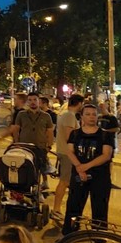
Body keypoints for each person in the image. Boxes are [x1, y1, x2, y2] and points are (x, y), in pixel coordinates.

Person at [61, 103, 114, 235]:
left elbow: (106, 155)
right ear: (82, 117)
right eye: (88, 114)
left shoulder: (105, 135)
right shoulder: (75, 134)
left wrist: (86, 166)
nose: (91, 117)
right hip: (79, 176)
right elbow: (69, 151)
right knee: (73, 206)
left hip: (100, 178)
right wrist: (80, 168)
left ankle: (98, 240)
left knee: (99, 209)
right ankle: (69, 234)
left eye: (94, 114)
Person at [11, 92, 54, 189]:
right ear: (27, 102)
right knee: (24, 169)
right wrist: (16, 143)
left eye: (35, 100)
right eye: (30, 100)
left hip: (40, 147)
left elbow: (50, 132)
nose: (32, 102)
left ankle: (38, 188)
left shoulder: (46, 116)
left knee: (39, 169)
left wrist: (49, 146)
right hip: (24, 148)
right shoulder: (21, 114)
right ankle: (24, 188)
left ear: (39, 101)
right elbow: (16, 129)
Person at [50, 94, 82, 222]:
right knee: (64, 182)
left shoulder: (65, 114)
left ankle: (66, 210)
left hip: (65, 152)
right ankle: (56, 209)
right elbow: (70, 136)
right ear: (79, 103)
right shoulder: (69, 115)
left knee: (67, 182)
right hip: (67, 153)